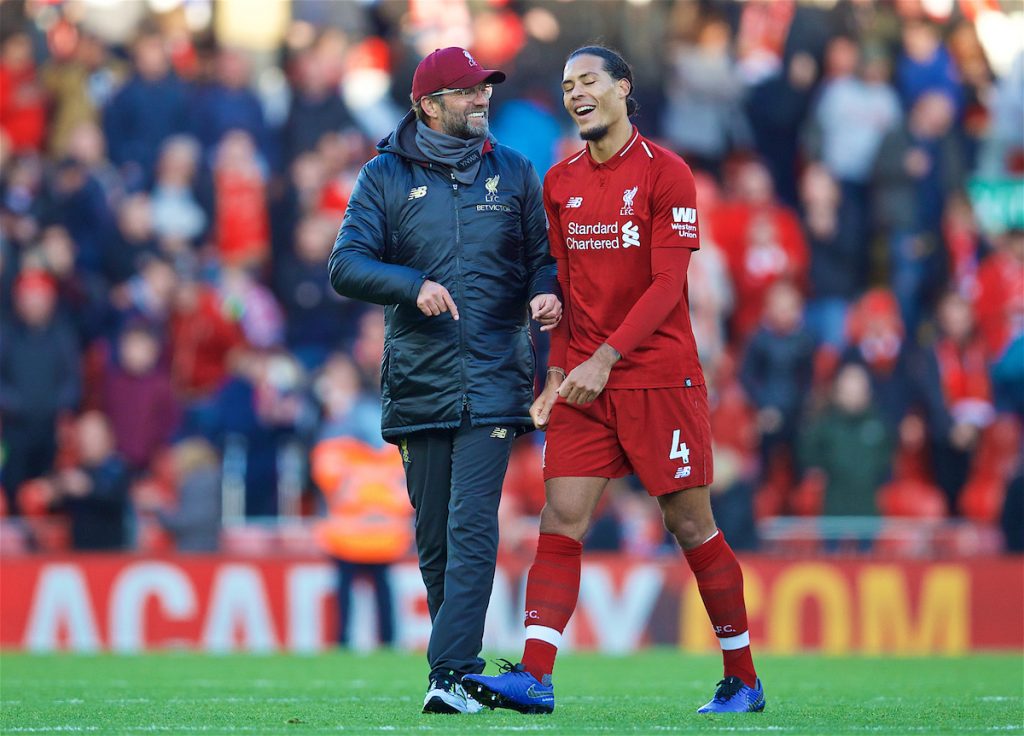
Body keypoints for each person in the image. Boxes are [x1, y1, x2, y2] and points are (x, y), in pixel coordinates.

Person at [462, 45, 764, 715]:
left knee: (691, 526)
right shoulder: (561, 181)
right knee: (561, 518)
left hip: (659, 378)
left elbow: (666, 285)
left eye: (590, 80)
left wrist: (608, 358)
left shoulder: (669, 173)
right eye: (569, 85)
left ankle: (743, 676)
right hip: (583, 385)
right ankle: (535, 675)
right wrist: (560, 373)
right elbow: (566, 289)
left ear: (624, 88)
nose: (577, 93)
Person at [327, 47, 560, 715]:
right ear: (427, 105)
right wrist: (412, 285)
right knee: (434, 538)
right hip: (419, 379)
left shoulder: (514, 172)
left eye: (483, 89)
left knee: (471, 524)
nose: (480, 100)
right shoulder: (384, 177)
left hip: (493, 374)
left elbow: (544, 260)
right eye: (464, 92)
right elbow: (345, 265)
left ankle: (451, 672)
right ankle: (456, 673)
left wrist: (545, 294)